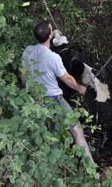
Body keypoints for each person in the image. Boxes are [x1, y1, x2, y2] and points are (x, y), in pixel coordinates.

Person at [21, 21, 94, 162]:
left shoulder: (28, 50)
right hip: (54, 99)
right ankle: (89, 166)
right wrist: (81, 88)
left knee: (44, 135)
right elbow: (67, 79)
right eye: (51, 30)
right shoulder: (53, 57)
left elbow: (23, 76)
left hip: (34, 99)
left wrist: (26, 91)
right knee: (76, 130)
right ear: (50, 37)